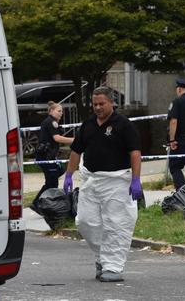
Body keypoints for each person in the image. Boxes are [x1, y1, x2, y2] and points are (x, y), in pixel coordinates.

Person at [63, 86, 142, 283]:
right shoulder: (88, 124)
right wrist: (68, 175)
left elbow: (135, 152)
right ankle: (102, 258)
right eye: (95, 104)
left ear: (111, 103)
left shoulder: (123, 125)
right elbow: (75, 151)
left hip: (117, 181)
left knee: (116, 224)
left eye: (101, 104)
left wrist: (136, 179)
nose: (97, 107)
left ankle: (113, 267)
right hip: (91, 180)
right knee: (85, 222)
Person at [30, 101, 74, 213]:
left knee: (58, 172)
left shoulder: (52, 122)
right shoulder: (51, 122)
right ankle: (37, 204)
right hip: (45, 156)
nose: (61, 113)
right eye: (59, 111)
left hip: (48, 156)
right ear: (51, 111)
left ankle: (43, 203)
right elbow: (57, 138)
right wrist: (74, 140)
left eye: (62, 111)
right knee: (51, 182)